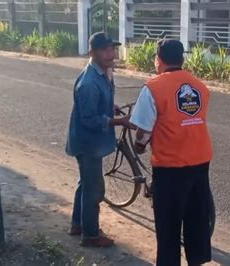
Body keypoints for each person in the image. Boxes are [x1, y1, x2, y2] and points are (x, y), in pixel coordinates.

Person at [129, 39, 214, 266]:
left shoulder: (154, 87)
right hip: (200, 161)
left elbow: (144, 130)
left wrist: (139, 145)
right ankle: (197, 261)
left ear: (159, 60)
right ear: (182, 59)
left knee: (168, 225)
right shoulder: (199, 86)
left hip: (171, 166)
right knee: (197, 218)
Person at [65, 32, 133, 247]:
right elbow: (89, 119)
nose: (110, 53)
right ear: (92, 53)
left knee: (85, 184)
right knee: (94, 189)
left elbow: (98, 105)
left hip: (89, 142)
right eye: (104, 50)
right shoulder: (89, 82)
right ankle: (91, 235)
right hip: (87, 142)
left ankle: (78, 224)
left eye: (111, 49)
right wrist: (119, 121)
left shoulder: (104, 72)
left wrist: (110, 108)